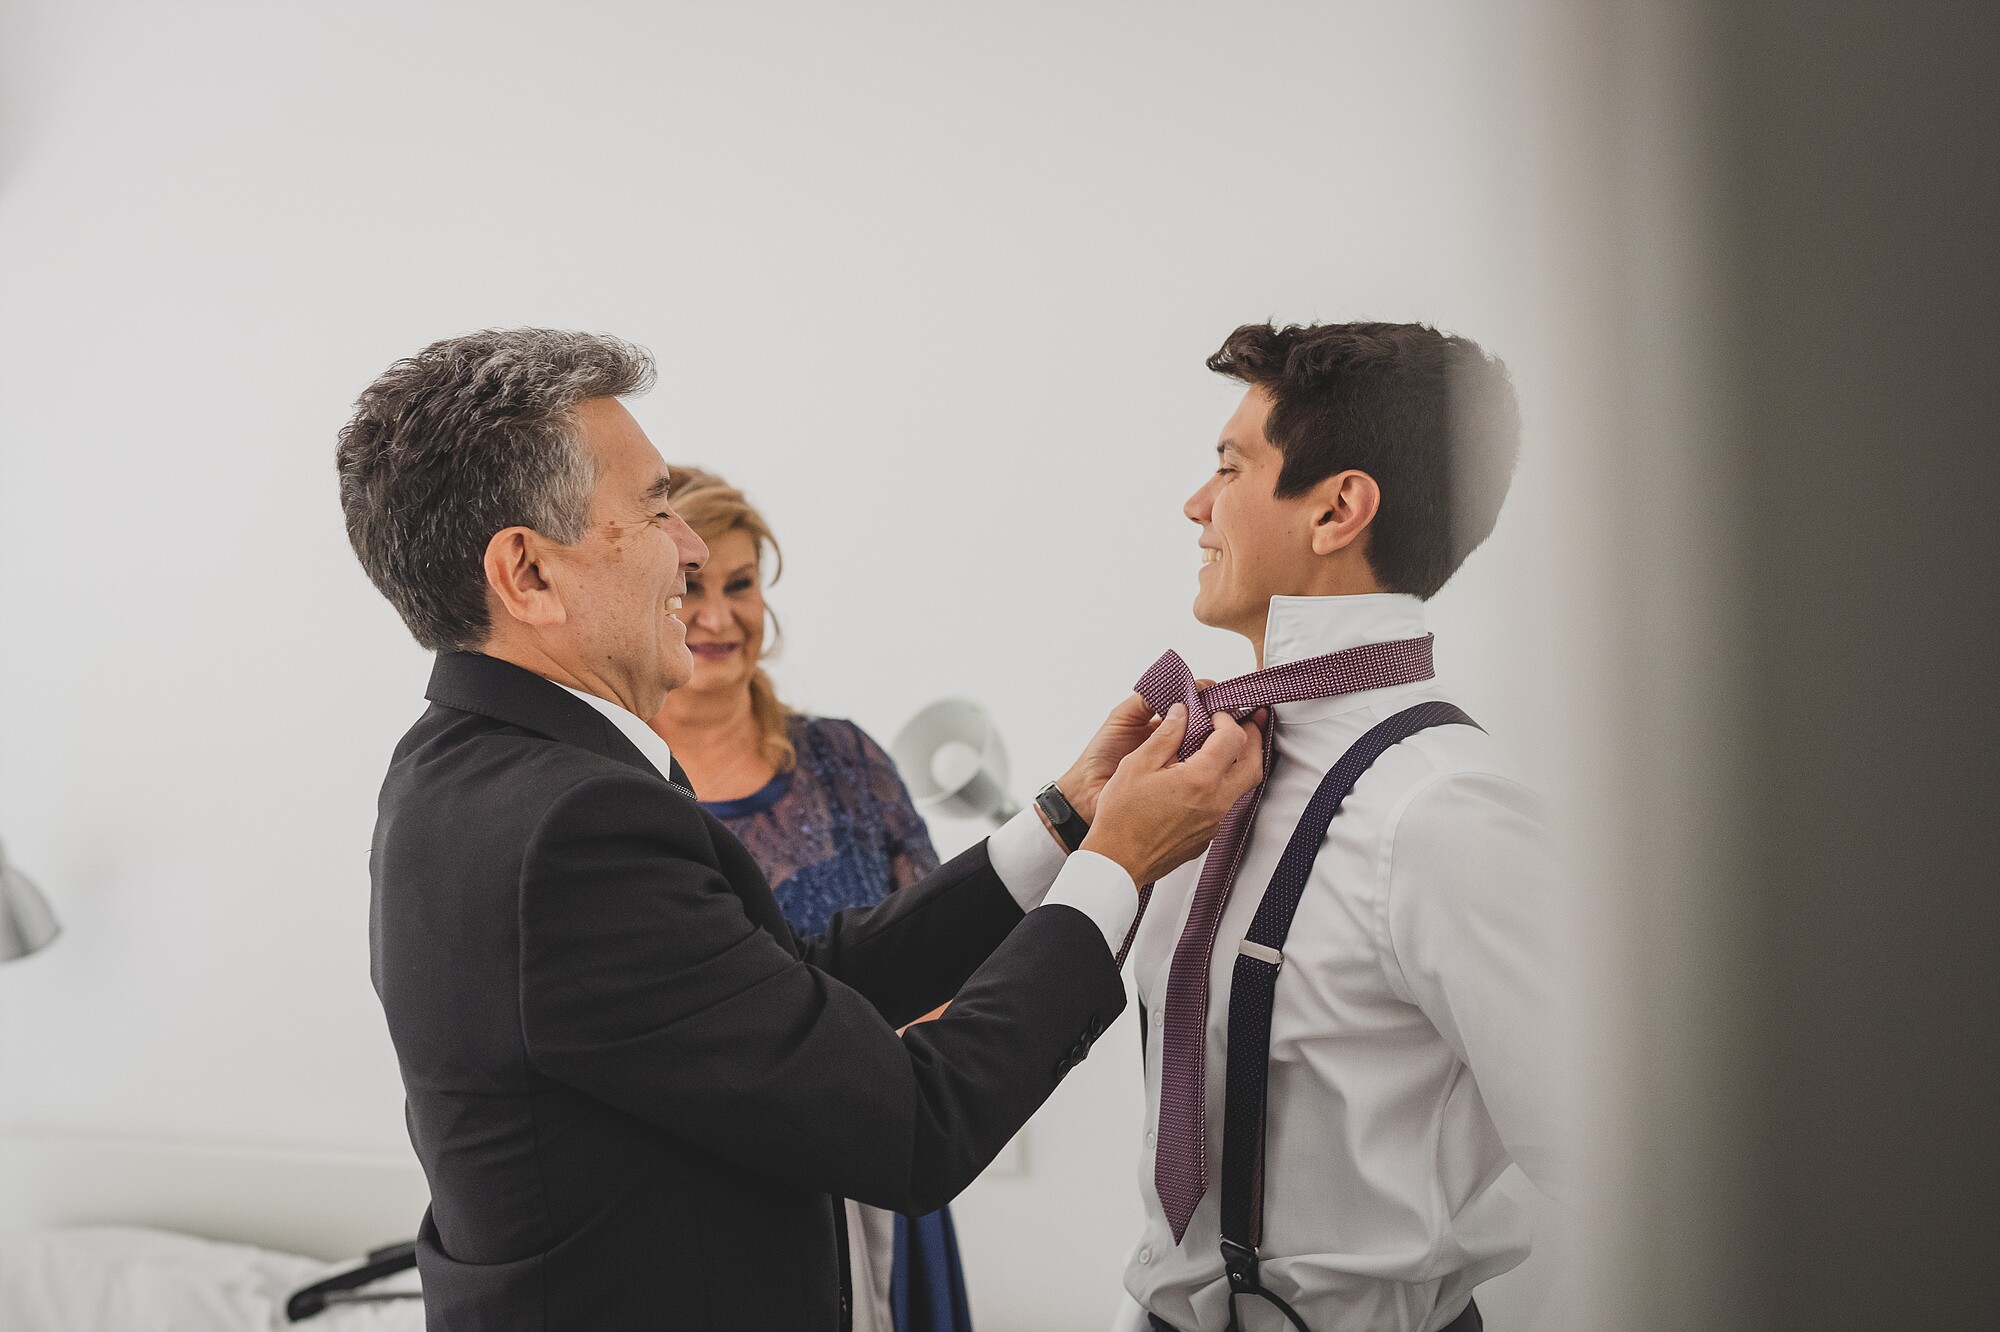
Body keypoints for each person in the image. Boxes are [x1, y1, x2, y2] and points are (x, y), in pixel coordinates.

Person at [335, 327, 1265, 1332]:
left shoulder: (455, 768)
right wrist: (1117, 862)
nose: (690, 550)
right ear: (527, 574)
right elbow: (912, 1125)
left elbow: (789, 988)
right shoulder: (572, 827)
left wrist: (1065, 819)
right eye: (654, 510)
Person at [1113, 322, 1552, 1332]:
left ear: (1336, 509)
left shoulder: (1445, 810)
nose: (1195, 503)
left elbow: (1619, 1163)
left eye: (1229, 466)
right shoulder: (1199, 772)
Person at [645, 465, 970, 1332]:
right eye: (691, 587)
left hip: (886, 1159)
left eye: (740, 585)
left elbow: (946, 942)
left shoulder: (845, 760)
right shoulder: (628, 797)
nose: (719, 618)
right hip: (735, 1203)